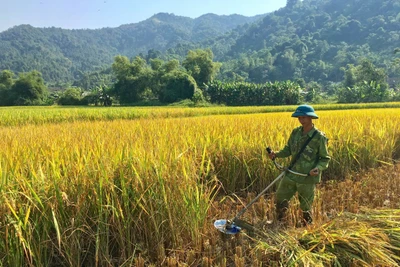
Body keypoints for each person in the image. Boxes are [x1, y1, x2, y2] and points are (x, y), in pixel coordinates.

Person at [268, 105, 330, 226]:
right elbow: (288, 150)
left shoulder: (319, 137)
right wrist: (276, 154)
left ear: (311, 117)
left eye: (303, 116)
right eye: (299, 117)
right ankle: (280, 221)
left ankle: (307, 226)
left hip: (307, 176)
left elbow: (325, 158)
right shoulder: (296, 132)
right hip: (292, 173)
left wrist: (317, 168)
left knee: (305, 204)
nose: (301, 119)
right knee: (280, 197)